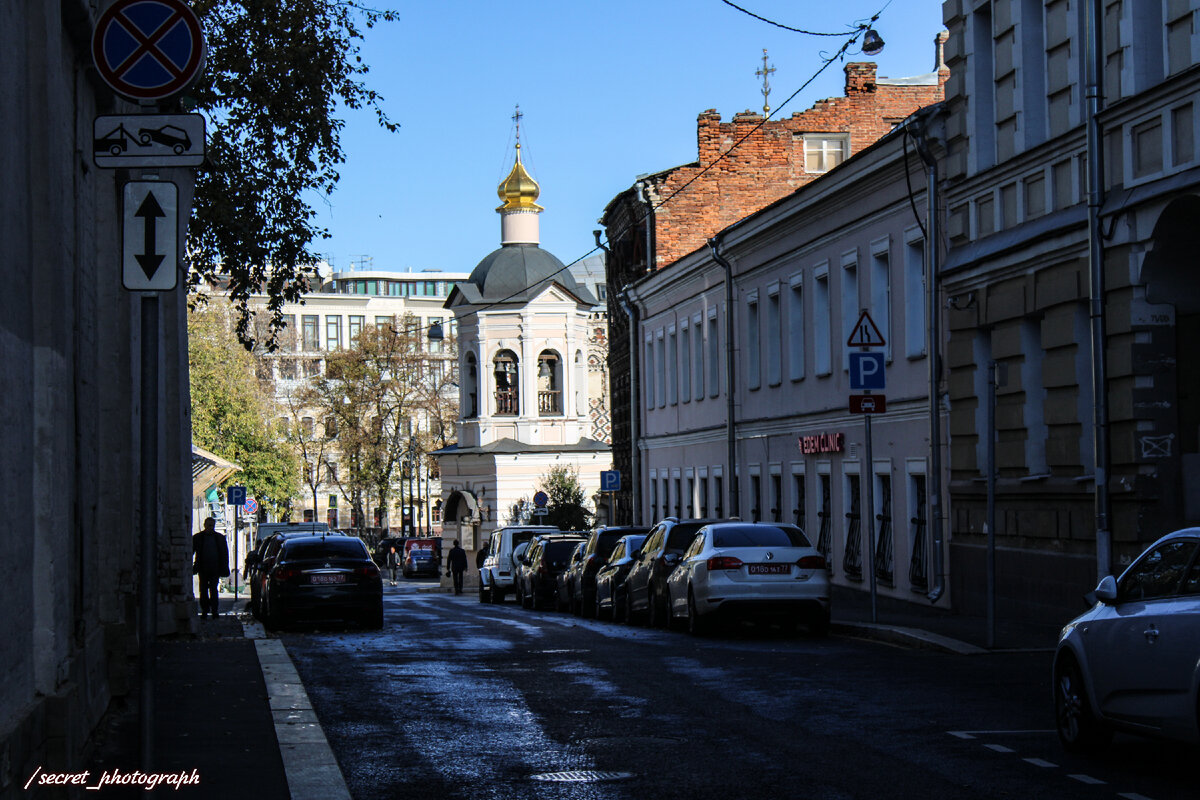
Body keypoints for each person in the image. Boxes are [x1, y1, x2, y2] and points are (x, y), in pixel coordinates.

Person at [193, 517, 230, 618]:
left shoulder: (219, 538)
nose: (210, 527)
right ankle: (205, 610)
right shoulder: (198, 538)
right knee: (203, 590)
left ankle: (214, 610)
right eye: (209, 525)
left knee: (213, 589)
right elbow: (192, 551)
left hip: (215, 568)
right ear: (204, 525)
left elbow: (224, 554)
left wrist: (225, 568)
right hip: (203, 568)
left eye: (212, 526)